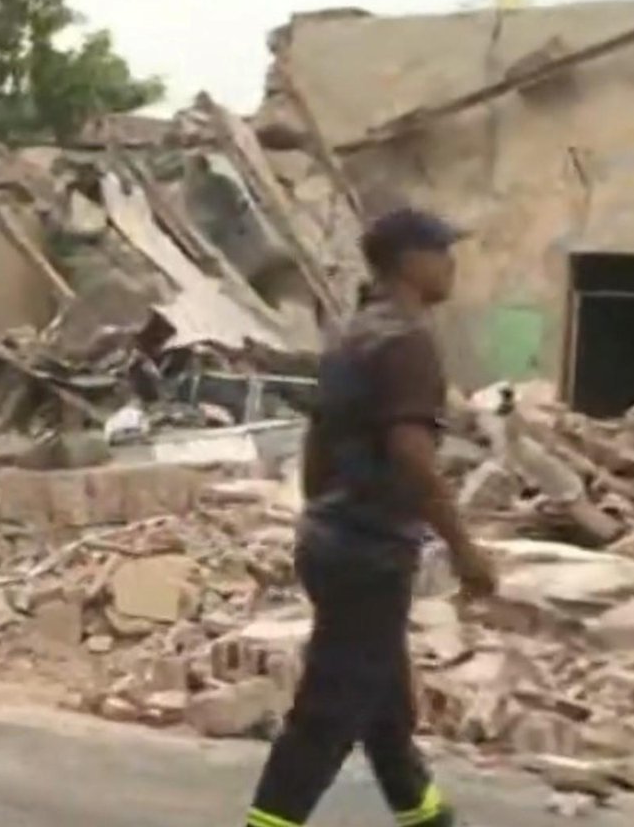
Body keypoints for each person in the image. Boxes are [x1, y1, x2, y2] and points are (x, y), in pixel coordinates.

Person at [241, 208, 497, 827]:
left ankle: (428, 818)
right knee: (326, 714)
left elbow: (316, 444)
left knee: (385, 710)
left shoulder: (353, 334)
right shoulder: (405, 339)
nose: (452, 263)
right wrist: (465, 549)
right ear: (410, 262)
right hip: (370, 548)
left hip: (337, 539)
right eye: (442, 250)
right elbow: (412, 453)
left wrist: (319, 520)